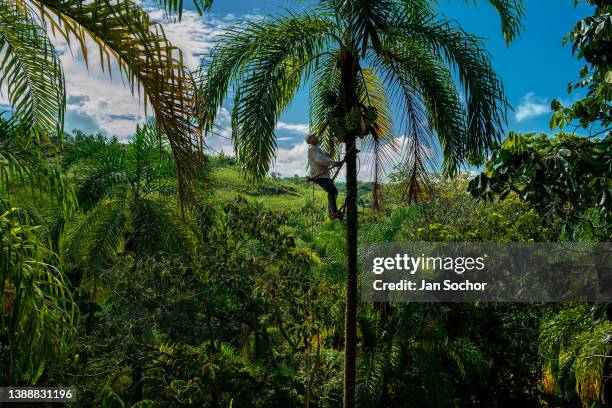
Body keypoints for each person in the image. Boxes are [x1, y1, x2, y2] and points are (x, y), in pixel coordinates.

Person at [306, 134, 343, 219]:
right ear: (310, 141)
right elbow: (320, 160)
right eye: (313, 137)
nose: (316, 137)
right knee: (332, 190)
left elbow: (330, 155)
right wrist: (334, 163)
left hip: (324, 176)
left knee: (334, 191)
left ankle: (332, 212)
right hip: (319, 176)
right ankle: (332, 212)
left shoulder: (319, 149)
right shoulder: (312, 149)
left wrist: (332, 146)